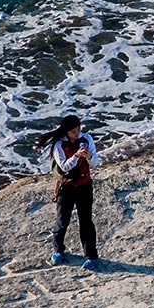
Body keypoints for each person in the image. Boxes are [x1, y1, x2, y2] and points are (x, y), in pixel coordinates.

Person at [36, 114, 102, 270]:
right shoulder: (59, 144)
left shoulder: (86, 139)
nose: (77, 134)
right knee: (62, 221)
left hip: (85, 186)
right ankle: (58, 250)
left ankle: (91, 256)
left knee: (86, 221)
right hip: (66, 187)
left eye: (78, 130)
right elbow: (64, 166)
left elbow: (95, 163)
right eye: (73, 132)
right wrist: (76, 156)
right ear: (66, 131)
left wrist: (89, 156)